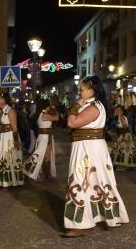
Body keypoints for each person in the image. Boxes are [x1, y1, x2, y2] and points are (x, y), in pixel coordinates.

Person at [63, 76, 129, 237]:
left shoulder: (94, 106)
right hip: (85, 146)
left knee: (82, 181)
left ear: (92, 91)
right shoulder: (89, 104)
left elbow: (72, 123)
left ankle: (81, 224)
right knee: (91, 182)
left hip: (89, 148)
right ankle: (91, 219)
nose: (80, 91)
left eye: (83, 88)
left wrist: (76, 104)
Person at [0, 93, 24, 188]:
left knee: (10, 158)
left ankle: (12, 181)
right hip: (2, 138)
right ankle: (5, 181)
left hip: (10, 138)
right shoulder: (0, 112)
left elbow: (14, 127)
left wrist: (16, 141)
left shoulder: (10, 111)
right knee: (2, 158)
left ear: (3, 100)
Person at [22, 99, 59, 180]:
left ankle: (47, 174)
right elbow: (57, 118)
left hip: (45, 136)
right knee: (39, 155)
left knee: (46, 155)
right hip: (45, 137)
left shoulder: (40, 114)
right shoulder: (44, 115)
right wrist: (53, 109)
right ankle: (28, 171)